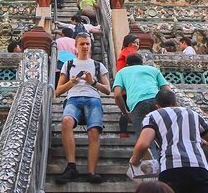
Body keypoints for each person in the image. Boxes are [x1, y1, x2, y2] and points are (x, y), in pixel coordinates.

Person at [130, 90, 208, 193]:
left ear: (158, 106)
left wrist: (134, 160)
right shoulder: (193, 114)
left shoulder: (153, 116)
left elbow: (143, 144)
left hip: (171, 170)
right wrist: (202, 142)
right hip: (199, 168)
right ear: (176, 103)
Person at [55, 32, 111, 184]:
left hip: (93, 99)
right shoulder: (68, 64)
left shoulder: (98, 65)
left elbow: (107, 90)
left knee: (94, 131)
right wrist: (71, 83)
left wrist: (92, 82)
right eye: (82, 44)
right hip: (73, 98)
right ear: (76, 46)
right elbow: (58, 91)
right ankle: (71, 166)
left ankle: (91, 171)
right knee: (66, 121)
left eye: (87, 43)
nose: (85, 46)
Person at [114, 53, 170, 139]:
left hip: (137, 105)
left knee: (144, 141)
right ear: (142, 62)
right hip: (157, 103)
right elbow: (167, 90)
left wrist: (125, 113)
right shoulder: (153, 70)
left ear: (127, 64)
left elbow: (117, 94)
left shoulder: (122, 72)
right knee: (163, 138)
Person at [115, 34, 140, 137]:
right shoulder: (129, 51)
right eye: (134, 42)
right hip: (129, 86)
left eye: (138, 43)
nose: (136, 45)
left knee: (126, 110)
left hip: (125, 85)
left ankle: (123, 133)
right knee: (128, 110)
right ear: (128, 43)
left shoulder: (124, 51)